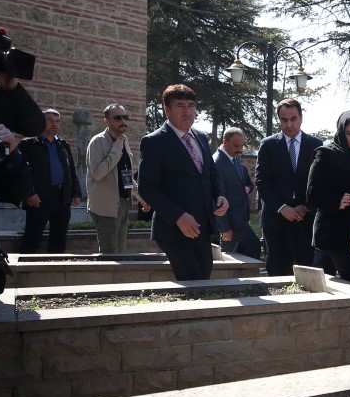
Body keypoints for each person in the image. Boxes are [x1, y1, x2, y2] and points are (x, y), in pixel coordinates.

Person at [137, 84, 228, 281]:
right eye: (180, 106)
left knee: (203, 281)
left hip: (202, 227)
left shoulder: (201, 137)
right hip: (173, 229)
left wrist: (220, 195)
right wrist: (178, 216)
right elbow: (147, 188)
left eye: (191, 106)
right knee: (192, 281)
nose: (187, 111)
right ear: (167, 109)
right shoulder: (153, 142)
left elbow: (211, 173)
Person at [256, 99, 321, 275]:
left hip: (304, 220)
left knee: (307, 271)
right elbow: (262, 181)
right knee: (276, 270)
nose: (289, 124)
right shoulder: (268, 145)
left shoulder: (315, 144)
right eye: (284, 120)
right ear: (279, 120)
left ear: (301, 118)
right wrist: (282, 208)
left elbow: (319, 181)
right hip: (276, 218)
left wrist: (305, 206)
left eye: (293, 119)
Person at [307, 111, 350, 284]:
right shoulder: (327, 154)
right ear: (342, 132)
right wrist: (336, 201)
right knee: (329, 284)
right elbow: (312, 193)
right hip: (332, 232)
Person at [18, 109, 82, 253]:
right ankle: (25, 266)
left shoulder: (63, 145)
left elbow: (71, 170)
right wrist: (29, 193)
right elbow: (20, 171)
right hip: (39, 198)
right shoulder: (29, 144)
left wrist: (76, 193)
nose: (54, 124)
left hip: (62, 198)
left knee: (59, 239)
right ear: (41, 121)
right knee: (32, 239)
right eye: (50, 120)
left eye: (57, 121)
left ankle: (55, 265)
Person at [86, 103, 134, 253]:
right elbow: (97, 173)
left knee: (121, 252)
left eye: (125, 117)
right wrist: (115, 151)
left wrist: (140, 196)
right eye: (118, 118)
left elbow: (125, 174)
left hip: (123, 203)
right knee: (109, 254)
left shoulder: (123, 140)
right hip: (105, 206)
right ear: (106, 121)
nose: (123, 121)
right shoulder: (97, 142)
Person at [213, 126, 261, 259]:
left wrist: (247, 188)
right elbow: (218, 196)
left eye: (241, 146)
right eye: (236, 146)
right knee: (254, 245)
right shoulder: (217, 162)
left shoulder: (233, 157)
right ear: (225, 142)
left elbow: (244, 183)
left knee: (230, 256)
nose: (240, 150)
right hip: (232, 222)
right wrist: (225, 227)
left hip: (239, 219)